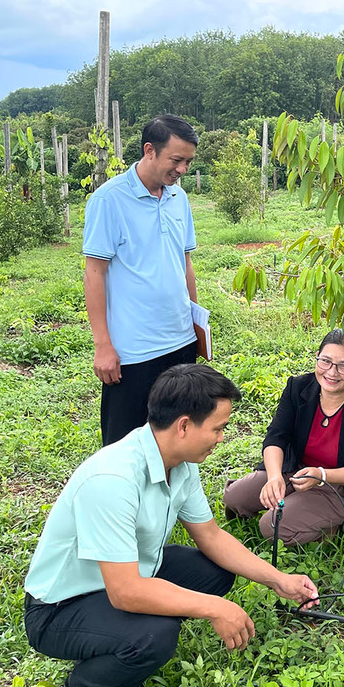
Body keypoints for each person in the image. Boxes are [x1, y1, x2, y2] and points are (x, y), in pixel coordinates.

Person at [24, 364, 318, 687]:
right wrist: (213, 609)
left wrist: (278, 579)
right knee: (156, 635)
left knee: (215, 571)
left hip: (128, 573)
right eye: (218, 428)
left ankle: (122, 632)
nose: (221, 437)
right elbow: (125, 592)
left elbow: (210, 535)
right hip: (60, 608)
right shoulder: (113, 479)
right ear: (183, 425)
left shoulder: (179, 462)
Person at [83, 114, 201, 446]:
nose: (182, 170)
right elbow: (94, 274)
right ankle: (129, 501)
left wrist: (195, 322)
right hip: (134, 352)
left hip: (181, 343)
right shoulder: (109, 200)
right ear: (149, 150)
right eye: (176, 160)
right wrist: (103, 346)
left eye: (188, 162)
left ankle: (170, 499)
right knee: (126, 446)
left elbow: (185, 263)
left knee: (179, 439)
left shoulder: (180, 198)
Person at [223, 329, 344, 547]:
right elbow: (276, 436)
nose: (332, 372)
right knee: (234, 498)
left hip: (337, 485)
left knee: (271, 526)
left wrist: (321, 474)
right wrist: (273, 478)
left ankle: (327, 529)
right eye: (325, 361)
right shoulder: (297, 388)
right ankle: (294, 504)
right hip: (294, 468)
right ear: (317, 357)